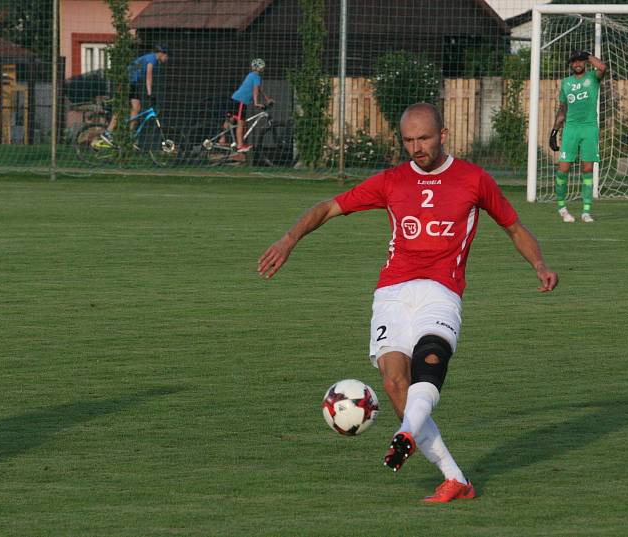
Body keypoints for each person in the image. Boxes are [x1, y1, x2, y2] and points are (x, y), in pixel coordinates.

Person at [258, 103, 558, 503]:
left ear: (444, 134)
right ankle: (454, 478)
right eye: (409, 140)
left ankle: (405, 434)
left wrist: (539, 263)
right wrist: (288, 239)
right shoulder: (392, 181)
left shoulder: (473, 179)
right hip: (392, 292)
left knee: (431, 360)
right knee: (394, 382)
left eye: (425, 138)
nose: (416, 147)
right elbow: (329, 207)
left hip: (441, 290)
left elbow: (514, 227)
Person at [549, 50, 607, 223]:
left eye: (580, 61)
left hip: (589, 129)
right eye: (574, 62)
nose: (577, 64)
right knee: (564, 168)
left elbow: (603, 67)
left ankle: (586, 211)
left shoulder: (592, 78)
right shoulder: (566, 83)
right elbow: (562, 109)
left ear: (585, 63)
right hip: (571, 130)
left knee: (588, 168)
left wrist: (588, 55)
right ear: (570, 65)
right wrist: (554, 131)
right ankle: (561, 207)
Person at [101, 44, 169, 144]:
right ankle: (108, 132)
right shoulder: (151, 60)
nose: (167, 59)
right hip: (127, 82)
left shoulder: (151, 58)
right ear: (162, 54)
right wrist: (149, 94)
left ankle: (129, 136)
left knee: (136, 108)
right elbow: (148, 78)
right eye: (167, 57)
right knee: (121, 109)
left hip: (132, 83)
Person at [224, 58, 273, 152]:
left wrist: (267, 98)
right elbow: (255, 90)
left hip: (235, 98)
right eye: (263, 67)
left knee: (230, 120)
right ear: (260, 68)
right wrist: (256, 103)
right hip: (241, 101)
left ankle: (221, 139)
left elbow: (259, 89)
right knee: (241, 122)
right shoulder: (256, 77)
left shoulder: (251, 75)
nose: (264, 68)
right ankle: (240, 145)